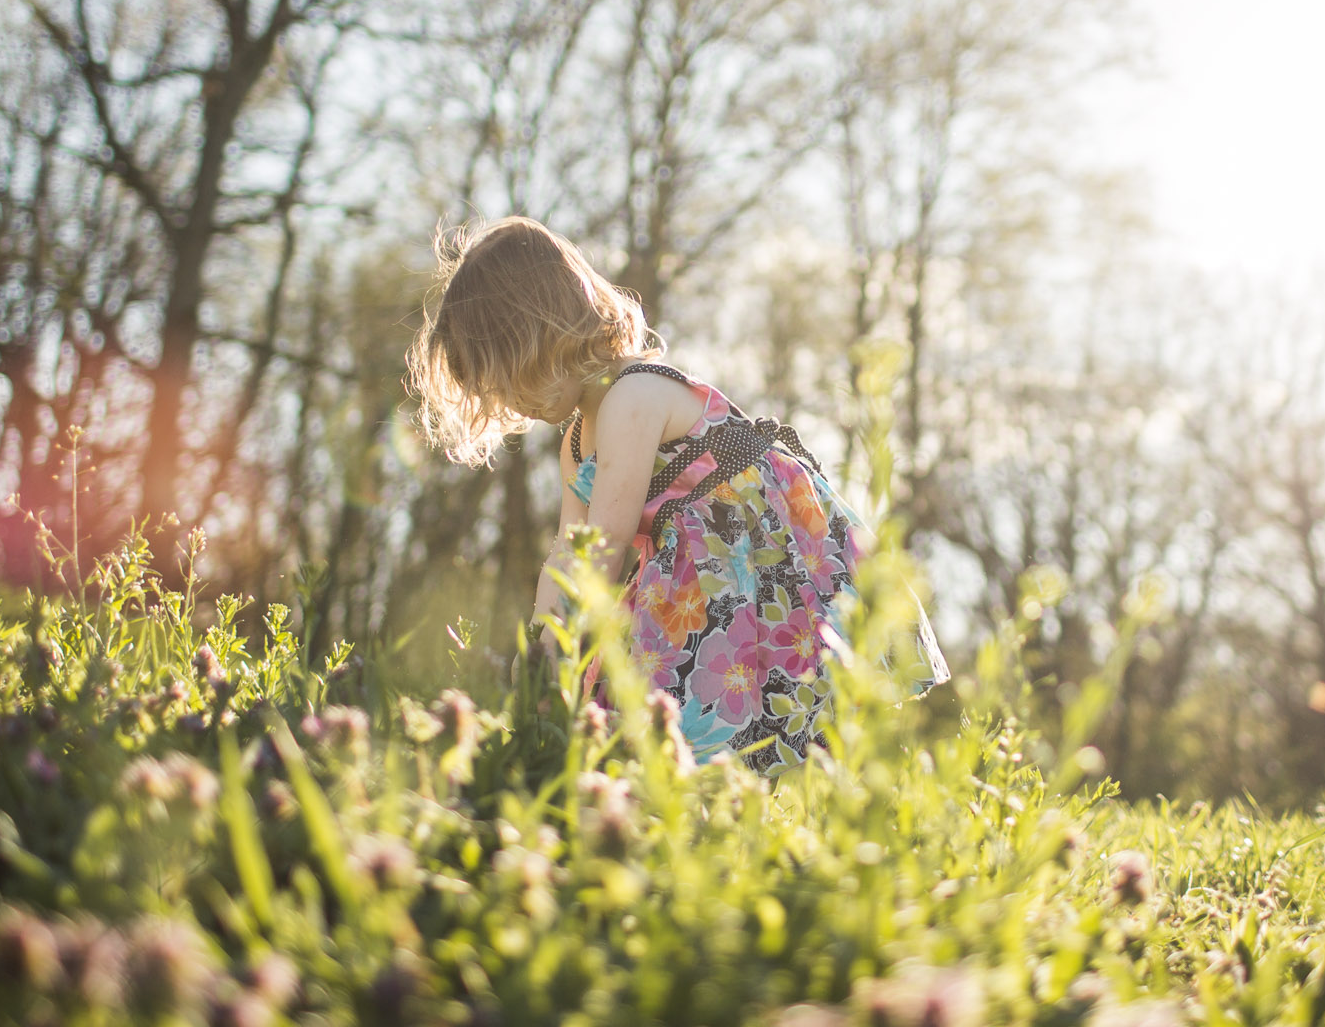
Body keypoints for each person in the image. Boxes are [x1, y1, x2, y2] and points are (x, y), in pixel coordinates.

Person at [406, 216, 947, 773]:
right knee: (667, 694)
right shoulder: (575, 442)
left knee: (776, 686)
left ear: (538, 337)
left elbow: (607, 546)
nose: (514, 407)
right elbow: (570, 551)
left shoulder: (631, 397)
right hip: (699, 573)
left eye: (508, 381)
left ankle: (799, 785)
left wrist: (570, 645)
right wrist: (545, 644)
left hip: (761, 551)